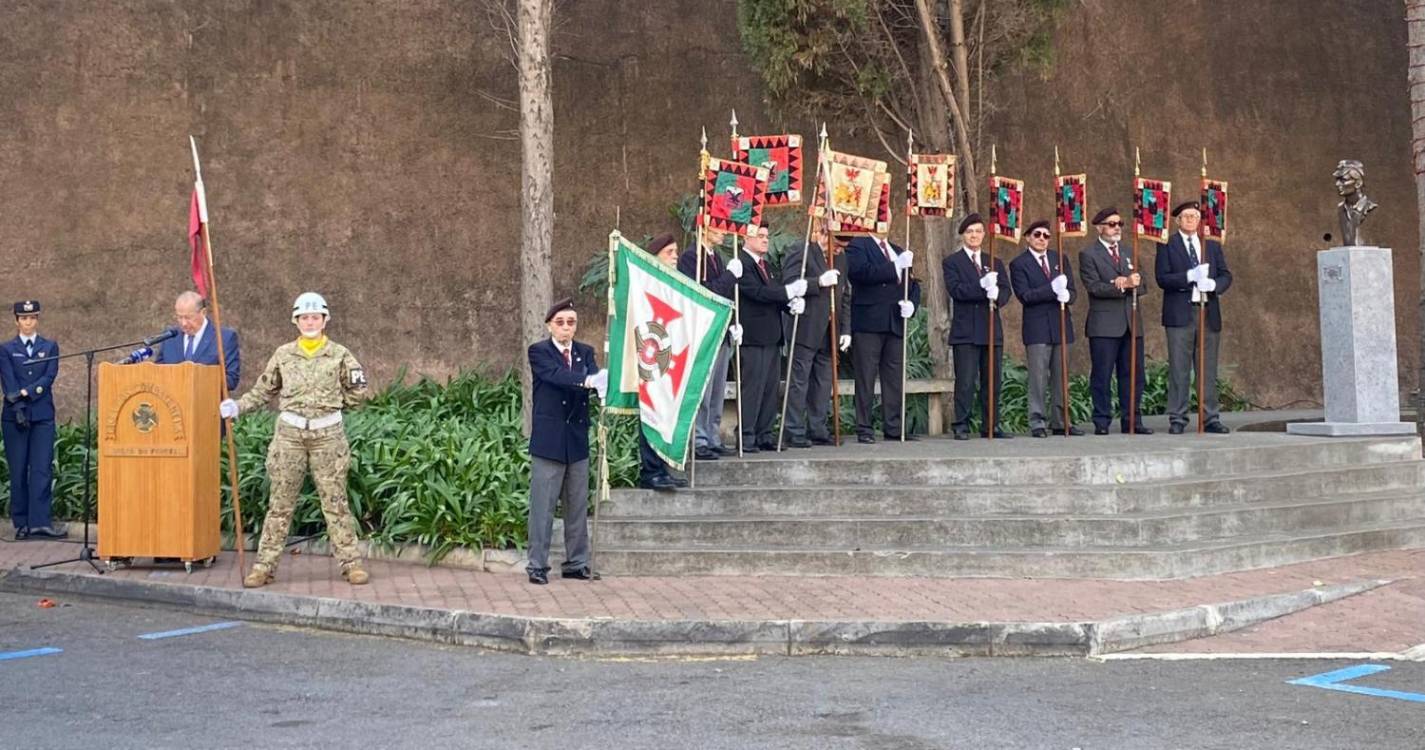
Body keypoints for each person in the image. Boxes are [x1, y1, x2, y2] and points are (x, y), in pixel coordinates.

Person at [220, 292, 371, 587]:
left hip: (327, 436)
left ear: (325, 320)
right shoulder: (283, 354)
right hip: (289, 436)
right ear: (296, 321)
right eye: (304, 317)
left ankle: (351, 563)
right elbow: (265, 390)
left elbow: (358, 393)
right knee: (280, 503)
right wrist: (238, 406)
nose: (310, 322)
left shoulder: (340, 355)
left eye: (315, 317)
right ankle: (264, 566)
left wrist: (334, 406)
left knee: (335, 502)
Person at [525, 297, 605, 585]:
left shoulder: (585, 351)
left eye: (571, 322)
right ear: (549, 325)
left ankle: (577, 562)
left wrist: (603, 386)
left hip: (576, 439)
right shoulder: (539, 351)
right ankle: (536, 564)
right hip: (549, 441)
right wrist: (586, 382)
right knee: (543, 507)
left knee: (577, 506)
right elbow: (557, 376)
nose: (566, 328)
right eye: (560, 323)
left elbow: (595, 378)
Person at [1156, 202, 1233, 434]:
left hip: (1207, 311)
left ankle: (1210, 417)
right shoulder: (1167, 244)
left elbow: (1226, 275)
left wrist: (1214, 285)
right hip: (1181, 312)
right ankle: (1178, 418)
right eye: (1186, 216)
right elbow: (1162, 278)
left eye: (1195, 216)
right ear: (1177, 220)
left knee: (1207, 368)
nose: (1191, 220)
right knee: (1179, 367)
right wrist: (1189, 276)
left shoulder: (1210, 245)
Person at [1079, 208, 1152, 435]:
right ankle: (1102, 421)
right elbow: (1094, 287)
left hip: (1131, 323)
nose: (1117, 228)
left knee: (1133, 374)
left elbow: (1145, 284)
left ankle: (1132, 419)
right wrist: (1120, 284)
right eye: (1111, 224)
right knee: (1102, 374)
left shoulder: (1130, 251)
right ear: (1100, 227)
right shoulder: (1089, 254)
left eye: (1119, 223)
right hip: (1104, 325)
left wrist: (1133, 283)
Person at [845, 232, 921, 443]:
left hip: (894, 321)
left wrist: (912, 304)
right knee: (866, 377)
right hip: (869, 321)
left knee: (894, 378)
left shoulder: (897, 250)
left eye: (886, 216)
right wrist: (894, 267)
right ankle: (864, 427)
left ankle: (894, 427)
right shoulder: (858, 245)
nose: (883, 220)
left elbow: (912, 284)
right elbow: (860, 273)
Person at [943, 214, 1013, 440]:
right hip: (966, 331)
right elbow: (956, 290)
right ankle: (961, 424)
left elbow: (1006, 291)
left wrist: (997, 294)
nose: (974, 235)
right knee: (965, 381)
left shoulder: (994, 261)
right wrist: (981, 286)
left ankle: (991, 425)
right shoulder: (952, 262)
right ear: (963, 235)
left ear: (984, 234)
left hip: (991, 328)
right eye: (970, 231)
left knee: (991, 381)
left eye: (978, 231)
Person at [737, 225, 806, 451]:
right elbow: (756, 292)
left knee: (769, 389)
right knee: (753, 389)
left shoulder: (765, 265)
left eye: (767, 236)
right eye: (760, 236)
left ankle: (764, 433)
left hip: (772, 335)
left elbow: (775, 292)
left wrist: (790, 305)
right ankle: (746, 435)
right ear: (746, 237)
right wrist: (787, 292)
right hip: (753, 335)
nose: (765, 240)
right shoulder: (741, 264)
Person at [1010, 219, 1081, 437]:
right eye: (1037, 234)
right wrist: (1051, 289)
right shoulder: (1019, 264)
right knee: (1038, 377)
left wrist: (1067, 295)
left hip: (1060, 325)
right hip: (1037, 327)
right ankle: (1037, 421)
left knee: (1061, 377)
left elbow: (1073, 292)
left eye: (1046, 236)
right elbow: (1026, 296)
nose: (1042, 239)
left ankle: (1061, 421)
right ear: (1028, 238)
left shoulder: (1059, 258)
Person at [780, 225, 848, 447]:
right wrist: (816, 282)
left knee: (823, 383)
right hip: (805, 326)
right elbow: (789, 284)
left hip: (830, 331)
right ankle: (793, 429)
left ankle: (817, 428)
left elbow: (845, 296)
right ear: (822, 234)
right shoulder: (802, 251)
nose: (838, 250)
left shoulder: (841, 258)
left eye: (842, 247)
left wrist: (845, 329)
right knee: (799, 382)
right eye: (836, 245)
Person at [677, 226, 742, 460]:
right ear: (703, 227)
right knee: (703, 389)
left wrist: (734, 322)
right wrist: (729, 276)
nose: (724, 231)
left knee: (717, 390)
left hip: (721, 330)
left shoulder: (717, 257)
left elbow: (726, 298)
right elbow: (704, 294)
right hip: (703, 331)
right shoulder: (691, 257)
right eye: (717, 226)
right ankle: (699, 437)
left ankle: (713, 435)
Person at [637, 234, 695, 490]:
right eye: (670, 252)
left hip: (668, 354)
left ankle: (662, 467)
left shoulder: (673, 283)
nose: (675, 256)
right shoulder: (648, 282)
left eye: (675, 251)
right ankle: (650, 470)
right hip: (651, 356)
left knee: (666, 414)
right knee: (650, 411)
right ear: (656, 255)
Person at [1, 300, 62, 540]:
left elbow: (49, 377)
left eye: (33, 318)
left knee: (41, 469)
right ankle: (22, 523)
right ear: (17, 320)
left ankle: (40, 522)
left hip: (42, 415)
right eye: (24, 318)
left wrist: (26, 393)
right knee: (18, 470)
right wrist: (17, 403)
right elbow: (8, 382)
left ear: (37, 319)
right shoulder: (6, 349)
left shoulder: (49, 346)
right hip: (15, 416)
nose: (28, 322)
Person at [154, 291, 241, 391]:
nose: (184, 323)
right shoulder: (170, 337)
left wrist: (197, 380)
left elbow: (231, 380)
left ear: (203, 312)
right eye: (179, 317)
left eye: (188, 317)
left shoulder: (224, 338)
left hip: (207, 403)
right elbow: (158, 372)